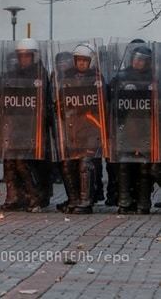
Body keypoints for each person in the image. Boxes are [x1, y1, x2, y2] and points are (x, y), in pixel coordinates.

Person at [55, 43, 105, 214]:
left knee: (86, 164)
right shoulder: (65, 78)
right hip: (71, 128)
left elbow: (103, 103)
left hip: (91, 128)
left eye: (85, 60)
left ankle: (86, 201)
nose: (82, 63)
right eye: (79, 60)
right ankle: (74, 199)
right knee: (68, 164)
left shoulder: (97, 79)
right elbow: (58, 102)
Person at [0, 39, 49, 212]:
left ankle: (34, 196)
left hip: (31, 127)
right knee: (10, 162)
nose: (24, 59)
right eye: (21, 56)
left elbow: (45, 102)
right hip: (14, 126)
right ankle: (14, 196)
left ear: (34, 56)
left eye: (27, 56)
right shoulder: (12, 75)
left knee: (25, 163)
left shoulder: (40, 75)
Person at [110, 44, 154, 214]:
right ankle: (124, 201)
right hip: (125, 126)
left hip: (146, 127)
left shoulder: (153, 79)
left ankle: (143, 203)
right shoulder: (121, 77)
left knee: (144, 166)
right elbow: (112, 100)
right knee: (124, 164)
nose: (138, 63)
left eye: (142, 60)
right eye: (136, 59)